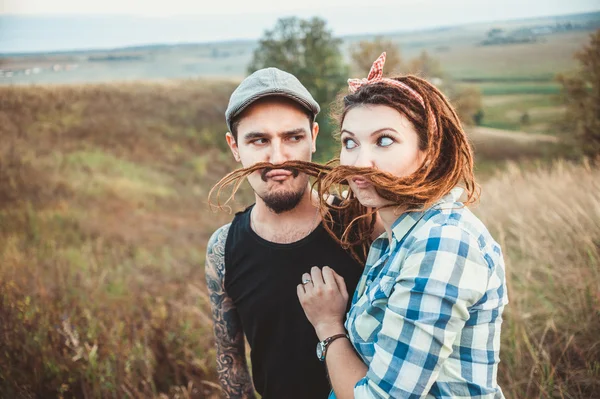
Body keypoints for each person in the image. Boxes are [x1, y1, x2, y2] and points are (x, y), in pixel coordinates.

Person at [297, 53, 508, 399]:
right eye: (350, 142)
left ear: (429, 150)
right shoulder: (396, 234)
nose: (359, 162)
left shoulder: (441, 243)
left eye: (384, 140)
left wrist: (327, 326)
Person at [205, 67, 364, 398]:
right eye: (259, 140)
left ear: (314, 136)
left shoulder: (359, 225)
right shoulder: (222, 249)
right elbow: (230, 361)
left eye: (293, 137)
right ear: (235, 147)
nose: (277, 158)